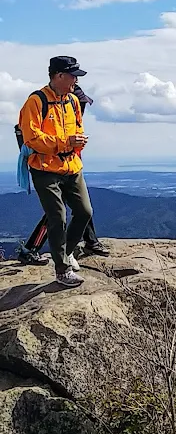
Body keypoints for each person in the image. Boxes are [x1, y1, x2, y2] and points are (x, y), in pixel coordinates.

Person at [18, 56, 94, 287]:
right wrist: (65, 142)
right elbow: (32, 138)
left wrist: (78, 141)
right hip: (44, 168)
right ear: (58, 76)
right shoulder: (36, 101)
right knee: (57, 217)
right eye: (72, 76)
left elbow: (77, 127)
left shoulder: (71, 101)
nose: (75, 81)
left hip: (71, 166)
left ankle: (66, 253)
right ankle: (62, 270)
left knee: (84, 212)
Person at [17, 82, 109, 266]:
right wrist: (67, 144)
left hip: (67, 165)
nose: (81, 108)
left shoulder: (69, 111)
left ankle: (87, 241)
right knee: (56, 213)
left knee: (78, 209)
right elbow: (34, 140)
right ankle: (32, 249)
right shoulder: (41, 104)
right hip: (47, 165)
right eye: (81, 104)